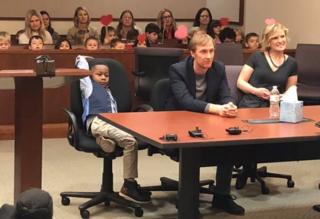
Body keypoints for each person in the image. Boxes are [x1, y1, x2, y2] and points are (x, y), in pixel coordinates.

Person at [165, 32, 245, 215]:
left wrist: (229, 105)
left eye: (211, 51)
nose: (209, 56)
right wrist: (217, 109)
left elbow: (225, 94)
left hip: (206, 119)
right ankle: (188, 201)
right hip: (179, 119)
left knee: (229, 144)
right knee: (194, 149)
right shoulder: (177, 70)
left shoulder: (218, 68)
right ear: (192, 53)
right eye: (203, 52)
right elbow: (185, 101)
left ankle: (222, 196)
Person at [76, 56, 151, 203]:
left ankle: (103, 141)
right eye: (99, 74)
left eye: (106, 75)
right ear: (91, 75)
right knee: (130, 142)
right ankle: (129, 185)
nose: (103, 77)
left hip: (111, 125)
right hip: (97, 121)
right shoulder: (88, 86)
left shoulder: (109, 93)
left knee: (121, 137)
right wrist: (86, 58)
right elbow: (81, 65)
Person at [236, 22, 297, 187]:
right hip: (251, 104)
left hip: (274, 107)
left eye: (282, 36)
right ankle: (245, 164)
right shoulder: (257, 57)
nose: (280, 40)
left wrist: (282, 96)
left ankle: (252, 162)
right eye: (275, 37)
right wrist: (256, 91)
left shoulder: (291, 63)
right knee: (247, 137)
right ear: (268, 41)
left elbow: (292, 90)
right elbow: (240, 82)